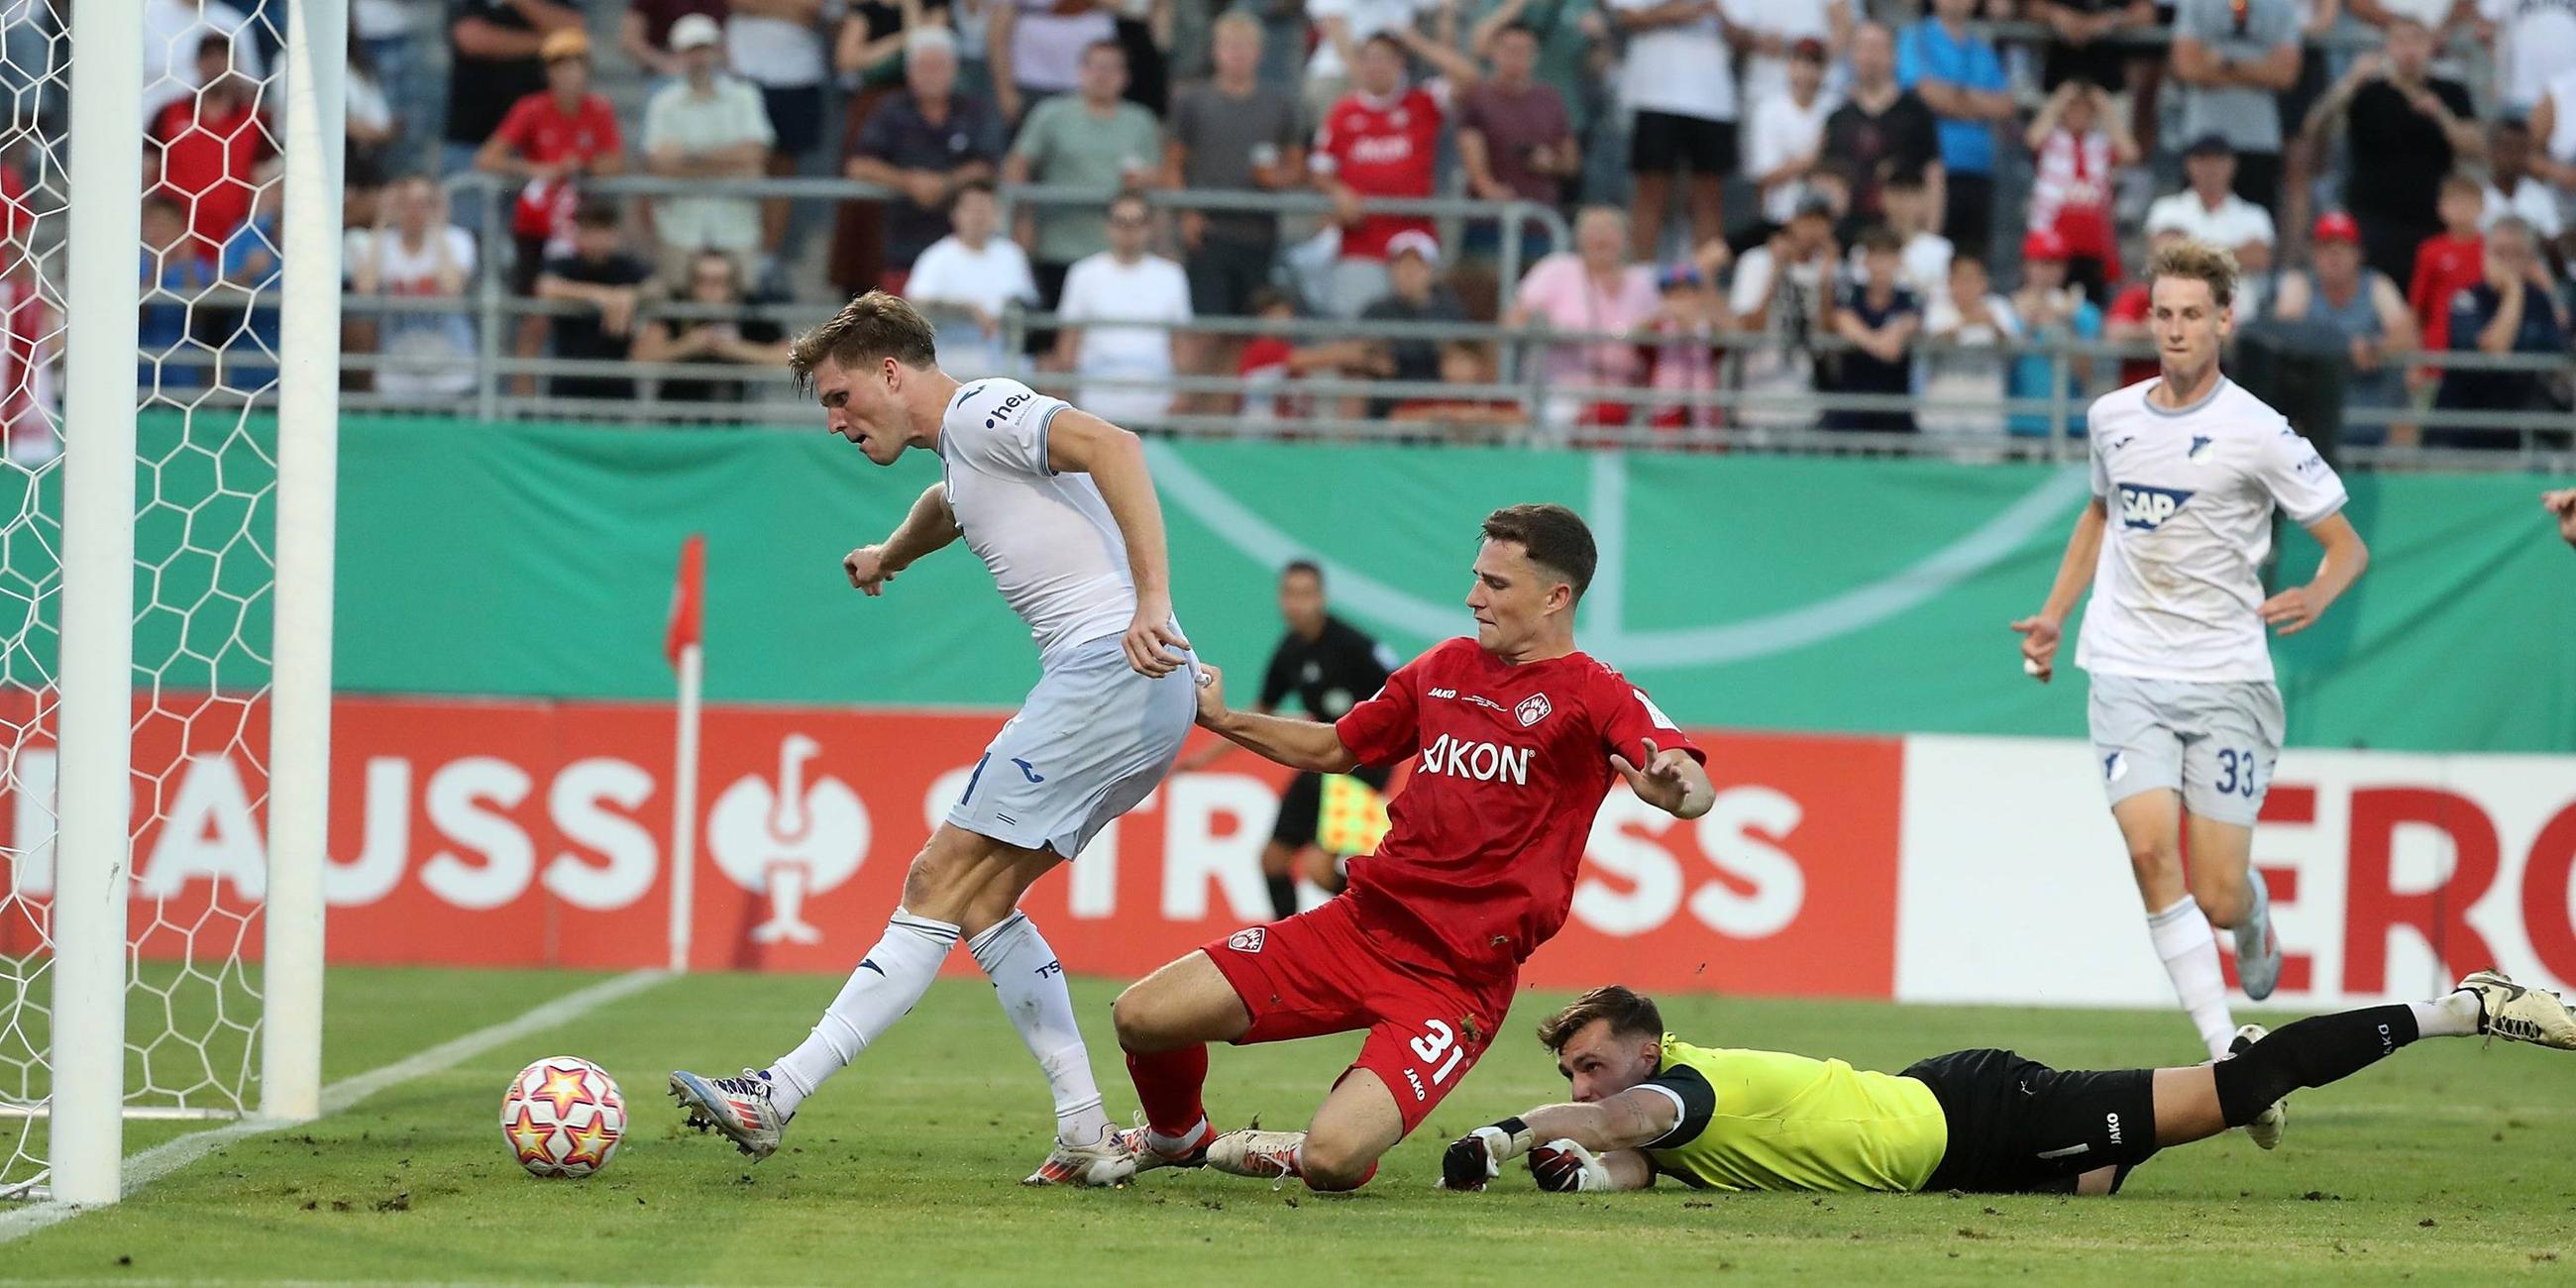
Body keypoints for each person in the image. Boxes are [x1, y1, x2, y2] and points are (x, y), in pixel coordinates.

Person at [669, 289, 1198, 1188]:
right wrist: (889, 555)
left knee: (933, 881)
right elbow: (948, 506)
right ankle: (1083, 1128)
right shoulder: (965, 454)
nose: (835, 422)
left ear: (890, 371)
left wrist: (1151, 602)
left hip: (1111, 667)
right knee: (983, 904)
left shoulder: (988, 409)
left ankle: (779, 1093)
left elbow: (1118, 447)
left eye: (841, 399)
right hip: (1137, 690)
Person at [1108, 503, 1717, 1193]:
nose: (1473, 596)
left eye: (1495, 583)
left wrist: (1677, 786)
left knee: (1334, 1162)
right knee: (1142, 1016)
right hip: (1358, 925)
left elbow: (1688, 783)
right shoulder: (1446, 666)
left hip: (1453, 982)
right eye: (1476, 577)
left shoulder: (1595, 691)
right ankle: (1177, 1135)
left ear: (1556, 596)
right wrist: (1223, 720)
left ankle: (1313, 1150)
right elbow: (1339, 745)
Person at [2012, 238, 2371, 1080]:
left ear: (2222, 322)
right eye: (2162, 313)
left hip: (2226, 678)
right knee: (2146, 852)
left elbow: (2346, 548)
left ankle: (2251, 922)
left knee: (2216, 892)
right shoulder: (2114, 417)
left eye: (2191, 316)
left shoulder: (2259, 432)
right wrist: (2057, 616)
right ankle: (2226, 1050)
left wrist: (2318, 593)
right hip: (2126, 664)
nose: (2174, 330)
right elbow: (2100, 517)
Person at [1439, 976, 2576, 1194]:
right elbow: (1631, 1156)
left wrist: (1496, 1135)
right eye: (1567, 1071)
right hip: (1947, 1148)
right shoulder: (1660, 1115)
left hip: (1980, 1114)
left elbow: (1624, 1122)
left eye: (1591, 1061)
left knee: (2238, 1091)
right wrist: (1578, 1180)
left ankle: (2459, 1006)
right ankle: (2224, 1077)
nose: (1582, 1083)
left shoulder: (1677, 1083)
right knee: (2102, 1182)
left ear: (1643, 1047)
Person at [1177, 562, 1400, 919]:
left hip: (1363, 766)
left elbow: (1403, 695)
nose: (1296, 604)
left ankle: (1387, 924)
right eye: (1289, 594)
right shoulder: (1290, 652)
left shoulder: (1354, 646)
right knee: (1272, 861)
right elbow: (1258, 712)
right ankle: (1289, 951)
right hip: (1321, 758)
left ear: (1321, 598)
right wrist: (1202, 759)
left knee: (1319, 868)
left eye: (1305, 594)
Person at [1164, 13, 1305, 394]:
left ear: (1258, 53)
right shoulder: (1193, 102)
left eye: (1244, 47)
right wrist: (1186, 212)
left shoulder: (1279, 104)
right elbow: (1173, 165)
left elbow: (1297, 166)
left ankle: (1224, 423)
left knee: (1246, 335)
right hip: (1209, 233)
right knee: (1207, 331)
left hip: (1258, 232)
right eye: (1229, 47)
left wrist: (1278, 178)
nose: (1236, 55)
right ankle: (1194, 418)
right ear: (1216, 52)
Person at [2300, 18, 2479, 289]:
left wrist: (2442, 117)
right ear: (2387, 47)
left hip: (2430, 222)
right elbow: (2314, 128)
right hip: (2373, 221)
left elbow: (2475, 147)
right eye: (2401, 41)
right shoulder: (2367, 92)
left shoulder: (2450, 92)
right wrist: (2348, 83)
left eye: (2417, 40)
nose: (2409, 50)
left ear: (2431, 46)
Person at [1311, 32, 1469, 319]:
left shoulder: (1423, 102)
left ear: (1401, 63)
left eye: (1385, 59)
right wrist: (1338, 192)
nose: (1376, 67)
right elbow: (1320, 170)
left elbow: (1468, 79)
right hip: (1361, 242)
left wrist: (1417, 41)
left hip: (1414, 243)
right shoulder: (1342, 113)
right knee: (1358, 328)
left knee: (1418, 330)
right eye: (1369, 59)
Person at [1004, 41, 1163, 325]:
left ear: (1125, 77)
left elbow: (1161, 178)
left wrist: (1146, 181)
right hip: (1057, 246)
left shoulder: (1142, 122)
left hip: (1120, 250)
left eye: (1111, 68)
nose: (1102, 75)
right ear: (1081, 72)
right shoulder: (1051, 114)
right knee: (1053, 334)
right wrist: (1021, 220)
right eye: (1095, 66)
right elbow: (1019, 165)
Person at [846, 27, 1005, 292]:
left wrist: (945, 184)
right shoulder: (890, 109)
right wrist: (909, 182)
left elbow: (988, 165)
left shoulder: (975, 110)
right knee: (902, 327)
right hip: (902, 245)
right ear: (909, 71)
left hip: (965, 248)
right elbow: (859, 165)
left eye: (938, 66)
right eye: (924, 66)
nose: (931, 75)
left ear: (954, 69)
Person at [642, 13, 774, 282]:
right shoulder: (663, 102)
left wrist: (688, 157)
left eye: (704, 48)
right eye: (691, 50)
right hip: (681, 229)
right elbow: (659, 165)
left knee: (740, 310)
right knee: (679, 313)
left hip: (736, 228)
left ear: (716, 51)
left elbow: (755, 155)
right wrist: (729, 160)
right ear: (678, 54)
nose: (699, 57)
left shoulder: (745, 96)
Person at [1608, 0, 1741, 261]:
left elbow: (1745, 37)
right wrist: (1678, 12)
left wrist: (1719, 16)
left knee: (1709, 196)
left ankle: (1703, 284)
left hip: (1712, 100)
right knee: (1650, 189)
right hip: (1654, 95)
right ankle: (1641, 278)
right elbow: (1626, 18)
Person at [1506, 206, 1659, 432]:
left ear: (1626, 238)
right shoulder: (1556, 269)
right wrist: (1555, 333)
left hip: (1627, 395)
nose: (1601, 237)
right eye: (1593, 230)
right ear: (1579, 238)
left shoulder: (1643, 281)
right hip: (1560, 393)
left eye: (1609, 230)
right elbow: (1512, 322)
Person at [2269, 211, 2417, 442]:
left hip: (2370, 409)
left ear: (2358, 254)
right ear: (2313, 253)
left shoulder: (2377, 285)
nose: (2334, 255)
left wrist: (2373, 346)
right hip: (2312, 415)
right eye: (2326, 247)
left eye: (2343, 247)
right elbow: (2284, 336)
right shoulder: (2299, 284)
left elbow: (2407, 336)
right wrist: (2343, 349)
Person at [1051, 191, 1191, 426]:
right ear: (1108, 226)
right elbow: (1069, 341)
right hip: (1095, 403)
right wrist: (1067, 396)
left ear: (1149, 227)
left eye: (1137, 222)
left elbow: (1180, 342)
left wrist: (1182, 395)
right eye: (1121, 222)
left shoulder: (1171, 275)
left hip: (1155, 403)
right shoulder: (1083, 273)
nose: (1129, 230)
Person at [2434, 215, 2567, 448]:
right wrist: (2514, 290)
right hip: (2461, 432)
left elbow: (2559, 353)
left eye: (2515, 253)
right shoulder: (2467, 299)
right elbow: (2494, 349)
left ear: (2530, 260)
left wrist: (2548, 291)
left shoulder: (2541, 302)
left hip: (2517, 435)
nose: (2506, 262)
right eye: (2499, 253)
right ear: (2485, 255)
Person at [347, 173, 478, 399]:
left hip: (450, 370)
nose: (414, 210)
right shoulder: (377, 244)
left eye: (424, 202)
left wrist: (437, 224)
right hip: (397, 371)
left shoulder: (456, 240)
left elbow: (451, 288)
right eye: (405, 202)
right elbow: (365, 289)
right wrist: (382, 221)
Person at [1896, 0, 2011, 259]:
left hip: (1978, 171)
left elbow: (2005, 105)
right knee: (1931, 254)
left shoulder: (1981, 49)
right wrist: (1977, 104)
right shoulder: (1915, 38)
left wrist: (1954, 98)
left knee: (1972, 258)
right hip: (1932, 171)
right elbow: (1923, 92)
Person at [149, 38, 272, 265]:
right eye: (209, 57)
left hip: (231, 247)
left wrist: (248, 239)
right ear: (198, 64)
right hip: (172, 251)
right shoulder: (168, 114)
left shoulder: (256, 120)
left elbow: (263, 184)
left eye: (222, 57)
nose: (216, 64)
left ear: (235, 63)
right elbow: (146, 174)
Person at [2170, 0, 2300, 214]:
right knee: (2196, 230)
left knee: (2255, 227)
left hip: (2258, 139)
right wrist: (2259, 69)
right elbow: (2188, 67)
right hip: (2203, 135)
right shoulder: (2195, 4)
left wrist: (2226, 63)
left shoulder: (2281, 6)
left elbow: (2285, 75)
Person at [904, 180, 1037, 379]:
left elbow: (1026, 303)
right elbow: (915, 305)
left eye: (986, 208)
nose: (979, 216)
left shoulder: (1011, 255)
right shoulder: (937, 257)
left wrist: (1005, 319)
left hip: (1002, 351)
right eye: (972, 209)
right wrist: (967, 311)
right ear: (955, 214)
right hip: (951, 350)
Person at [1821, 23, 1940, 245]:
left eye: (1877, 48)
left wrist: (1930, 234)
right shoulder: (1837, 118)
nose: (1870, 57)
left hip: (1899, 236)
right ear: (1853, 55)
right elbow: (1826, 181)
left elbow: (1933, 174)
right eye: (1863, 48)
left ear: (1894, 55)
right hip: (1846, 236)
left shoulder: (1916, 113)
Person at [1727, 192, 1837, 430]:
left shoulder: (1828, 269)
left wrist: (1827, 283)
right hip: (1757, 403)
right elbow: (1749, 328)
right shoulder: (1757, 261)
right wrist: (1776, 273)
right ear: (1790, 223)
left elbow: (1828, 340)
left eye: (1821, 222)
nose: (1813, 229)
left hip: (1806, 404)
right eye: (1806, 220)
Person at [633, 248, 792, 407]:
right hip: (679, 413)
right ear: (691, 283)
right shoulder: (677, 306)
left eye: (719, 281)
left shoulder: (749, 309)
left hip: (737, 413)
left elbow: (789, 358)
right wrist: (689, 345)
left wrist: (732, 348)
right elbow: (641, 356)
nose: (711, 289)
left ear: (733, 284)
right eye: (702, 281)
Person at [2025, 77, 2136, 303]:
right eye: (2073, 109)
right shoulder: (2053, 142)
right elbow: (2032, 139)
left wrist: (2106, 108)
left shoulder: (2100, 145)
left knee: (2092, 302)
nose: (2079, 116)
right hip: (2054, 239)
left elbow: (2130, 153)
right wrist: (2059, 100)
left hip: (2092, 243)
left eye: (2086, 111)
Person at [533, 197, 656, 402]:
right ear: (578, 233)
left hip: (616, 381)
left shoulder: (625, 267)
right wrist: (602, 296)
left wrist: (630, 295)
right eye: (590, 231)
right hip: (569, 379)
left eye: (603, 231)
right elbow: (546, 287)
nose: (597, 239)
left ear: (615, 234)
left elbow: (656, 288)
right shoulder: (565, 264)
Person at [444, 0, 584, 177]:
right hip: (473, 136)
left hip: (537, 146)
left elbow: (574, 32)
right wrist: (549, 43)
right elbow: (472, 38)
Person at [1354, 231, 1470, 417]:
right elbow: (1360, 351)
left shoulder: (1450, 309)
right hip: (1387, 393)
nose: (1409, 272)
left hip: (1438, 393)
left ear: (1431, 270)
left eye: (1417, 264)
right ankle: (1352, 441)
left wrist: (1447, 356)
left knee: (1461, 370)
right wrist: (1373, 358)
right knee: (1355, 376)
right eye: (1401, 264)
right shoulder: (1377, 310)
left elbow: (1462, 355)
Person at [2008, 228, 2103, 440]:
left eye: (2055, 263)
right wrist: (2028, 325)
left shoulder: (2084, 313)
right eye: (2041, 263)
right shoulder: (2007, 310)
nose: (2047, 272)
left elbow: (2086, 375)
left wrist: (2068, 323)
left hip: (2070, 423)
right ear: (2026, 265)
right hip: (2021, 423)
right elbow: (2002, 367)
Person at [1823, 225, 1920, 435]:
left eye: (1887, 256)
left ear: (1898, 261)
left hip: (1894, 408)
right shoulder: (1851, 295)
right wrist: (1877, 343)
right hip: (1851, 406)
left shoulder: (1909, 299)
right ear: (1865, 261)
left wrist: (1886, 336)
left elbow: (1907, 324)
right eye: (1875, 256)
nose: (1881, 265)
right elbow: (1844, 322)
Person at [1918, 252, 2018, 440]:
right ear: (1949, 282)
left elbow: (2014, 347)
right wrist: (1969, 320)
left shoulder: (1999, 307)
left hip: (1986, 410)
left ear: (1984, 282)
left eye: (1973, 279)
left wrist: (1994, 326)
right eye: (1961, 279)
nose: (1967, 286)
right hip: (1942, 411)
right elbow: (1930, 341)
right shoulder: (1936, 308)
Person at [1742, 37, 1836, 234]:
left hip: (1825, 217)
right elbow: (1764, 175)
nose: (1807, 72)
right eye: (1801, 63)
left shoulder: (1833, 108)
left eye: (1814, 65)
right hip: (1780, 218)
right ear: (1790, 66)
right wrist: (1811, 160)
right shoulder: (1769, 110)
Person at [2408, 173, 2487, 357]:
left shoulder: (2491, 249)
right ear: (2441, 208)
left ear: (2481, 206)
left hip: (2481, 348)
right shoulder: (2430, 250)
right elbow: (2417, 307)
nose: (2462, 208)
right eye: (2455, 202)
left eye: (2468, 201)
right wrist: (2415, 359)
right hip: (2438, 350)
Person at [2481, 119, 2563, 247]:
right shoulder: (2476, 196)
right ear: (2490, 151)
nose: (2513, 156)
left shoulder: (2540, 195)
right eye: (2506, 148)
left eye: (2520, 149)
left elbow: (2553, 242)